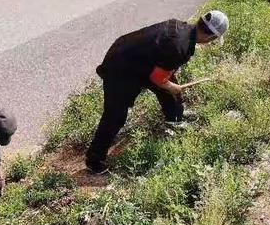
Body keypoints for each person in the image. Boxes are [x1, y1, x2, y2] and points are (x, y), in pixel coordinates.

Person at [86, 11, 229, 174]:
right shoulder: (179, 46)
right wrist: (170, 86)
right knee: (116, 115)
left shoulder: (182, 29)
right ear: (211, 38)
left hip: (139, 58)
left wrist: (169, 86)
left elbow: (162, 70)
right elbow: (157, 79)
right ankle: (94, 160)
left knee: (170, 89)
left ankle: (174, 119)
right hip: (121, 67)